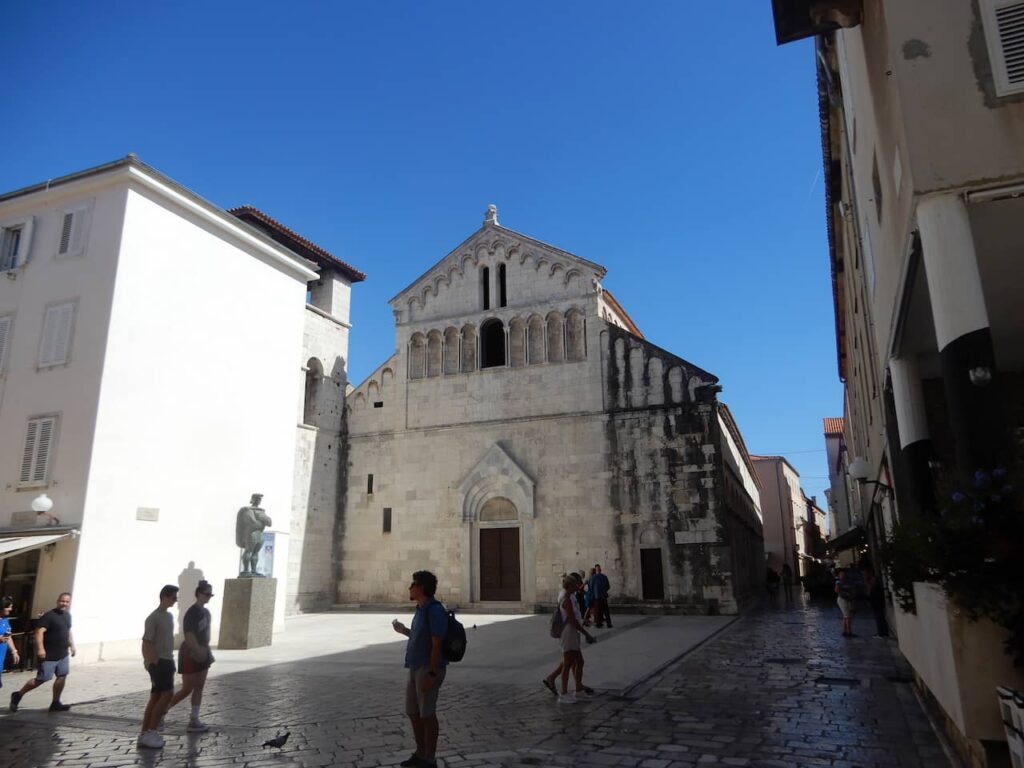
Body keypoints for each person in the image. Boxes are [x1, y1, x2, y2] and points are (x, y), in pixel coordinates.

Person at [392, 571, 448, 768]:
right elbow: (420, 638)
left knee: (427, 713)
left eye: (413, 584)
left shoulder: (434, 610)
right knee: (413, 712)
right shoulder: (421, 609)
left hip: (428, 668)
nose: (410, 587)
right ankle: (420, 753)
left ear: (421, 588)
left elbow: (437, 643)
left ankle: (429, 759)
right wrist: (404, 630)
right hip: (415, 667)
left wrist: (432, 674)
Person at [10, 592, 76, 713]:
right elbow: (39, 632)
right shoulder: (49, 616)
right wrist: (40, 649)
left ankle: (56, 702)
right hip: (49, 654)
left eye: (66, 602)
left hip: (62, 653)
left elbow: (68, 631)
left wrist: (72, 645)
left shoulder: (67, 616)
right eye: (62, 601)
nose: (64, 604)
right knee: (42, 679)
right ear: (57, 601)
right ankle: (18, 695)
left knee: (62, 676)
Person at [167, 579, 216, 731]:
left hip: (204, 649)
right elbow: (189, 634)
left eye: (210, 594)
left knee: (199, 686)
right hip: (190, 652)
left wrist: (205, 650)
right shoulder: (192, 612)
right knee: (187, 688)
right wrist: (196, 650)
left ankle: (194, 719)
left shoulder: (206, 612)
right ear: (199, 594)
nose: (208, 597)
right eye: (206, 594)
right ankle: (161, 712)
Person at [542, 573, 595, 701]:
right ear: (570, 585)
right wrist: (586, 634)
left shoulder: (570, 596)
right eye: (576, 584)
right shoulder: (566, 599)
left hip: (572, 632)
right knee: (568, 662)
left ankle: (578, 689)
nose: (578, 586)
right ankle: (564, 693)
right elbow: (572, 620)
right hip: (568, 632)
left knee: (578, 661)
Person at [139, 585, 179, 750]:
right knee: (166, 695)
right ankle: (151, 731)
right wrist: (153, 663)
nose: (176, 600)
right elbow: (147, 642)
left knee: (156, 697)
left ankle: (145, 732)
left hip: (167, 659)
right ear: (165, 597)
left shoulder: (169, 616)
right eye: (173, 597)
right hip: (159, 661)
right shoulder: (153, 617)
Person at [236, 493, 272, 576]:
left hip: (260, 534)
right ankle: (245, 570)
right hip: (251, 534)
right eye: (257, 499)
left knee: (256, 553)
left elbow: (269, 522)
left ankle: (253, 570)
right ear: (253, 499)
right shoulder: (248, 510)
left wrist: (261, 519)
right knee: (248, 551)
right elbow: (253, 523)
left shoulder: (261, 511)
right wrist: (262, 521)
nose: (258, 501)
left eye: (260, 499)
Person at [861, 565, 890, 639]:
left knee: (879, 619)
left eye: (865, 574)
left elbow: (872, 594)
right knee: (880, 618)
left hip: (877, 603)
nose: (864, 576)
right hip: (877, 603)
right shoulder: (874, 581)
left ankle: (881, 633)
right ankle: (884, 633)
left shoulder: (873, 582)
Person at [1, 597, 21, 689]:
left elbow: (8, 636)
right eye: (9, 607)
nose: (11, 609)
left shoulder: (5, 620)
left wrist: (14, 651)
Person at [835, 567, 857, 637]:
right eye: (841, 574)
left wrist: (851, 595)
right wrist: (844, 594)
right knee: (848, 616)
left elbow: (853, 589)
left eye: (843, 574)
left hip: (848, 599)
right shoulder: (839, 582)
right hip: (842, 599)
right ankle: (849, 632)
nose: (842, 575)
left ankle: (845, 631)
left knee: (845, 616)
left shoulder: (848, 581)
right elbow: (836, 590)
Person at [590, 564, 612, 628]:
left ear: (595, 570)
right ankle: (609, 623)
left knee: (597, 610)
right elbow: (608, 586)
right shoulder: (604, 577)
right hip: (604, 596)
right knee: (606, 610)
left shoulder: (593, 578)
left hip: (597, 597)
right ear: (600, 569)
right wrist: (604, 590)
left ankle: (598, 623)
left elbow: (591, 588)